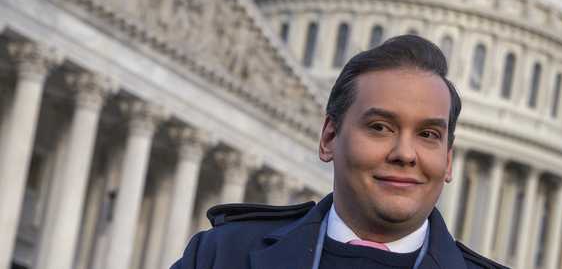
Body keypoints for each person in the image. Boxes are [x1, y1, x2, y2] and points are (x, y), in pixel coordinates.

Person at [170, 35, 509, 269]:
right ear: (329, 137)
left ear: (448, 161)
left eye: (428, 134)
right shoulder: (222, 255)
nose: (405, 153)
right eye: (380, 127)